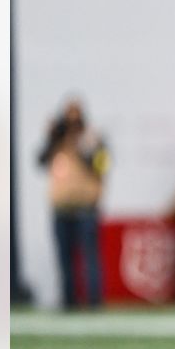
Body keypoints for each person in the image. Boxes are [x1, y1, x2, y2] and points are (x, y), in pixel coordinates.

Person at [36, 99, 108, 309]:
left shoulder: (92, 138)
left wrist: (86, 147)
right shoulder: (57, 141)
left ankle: (94, 302)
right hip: (61, 207)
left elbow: (102, 164)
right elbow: (40, 161)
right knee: (64, 259)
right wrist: (51, 138)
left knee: (90, 257)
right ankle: (69, 301)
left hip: (85, 207)